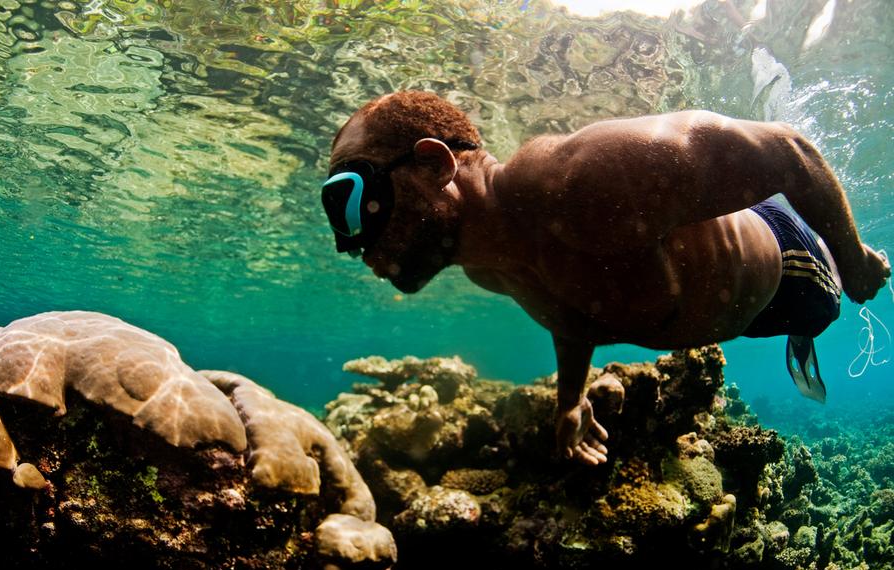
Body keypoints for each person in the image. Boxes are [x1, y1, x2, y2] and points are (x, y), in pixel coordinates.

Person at [320, 91, 890, 466]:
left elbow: (791, 151)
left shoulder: (584, 180)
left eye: (348, 199)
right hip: (732, 316)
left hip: (790, 268)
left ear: (434, 164)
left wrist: (855, 258)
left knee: (828, 306)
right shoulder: (487, 267)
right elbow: (574, 312)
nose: (351, 245)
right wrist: (569, 401)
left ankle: (829, 288)